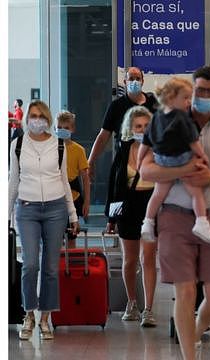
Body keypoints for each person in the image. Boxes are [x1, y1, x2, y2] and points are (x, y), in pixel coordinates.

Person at [139, 66, 210, 360]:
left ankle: (195, 330)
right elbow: (144, 167)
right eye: (198, 91)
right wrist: (184, 170)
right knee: (185, 290)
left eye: (209, 91)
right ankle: (189, 356)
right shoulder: (165, 120)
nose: (202, 96)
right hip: (173, 216)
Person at [9, 100, 80, 341]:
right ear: (26, 118)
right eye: (32, 115)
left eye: (40, 115)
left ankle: (45, 319)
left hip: (55, 209)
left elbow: (64, 181)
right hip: (27, 209)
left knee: (50, 267)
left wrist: (72, 214)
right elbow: (13, 182)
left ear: (47, 119)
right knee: (30, 265)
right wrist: (7, 215)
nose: (36, 120)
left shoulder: (59, 145)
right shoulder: (17, 145)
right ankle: (28, 315)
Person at [138, 77, 210, 244]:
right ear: (171, 98)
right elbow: (193, 142)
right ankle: (201, 222)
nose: (189, 102)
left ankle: (147, 222)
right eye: (186, 98)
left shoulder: (156, 117)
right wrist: (203, 156)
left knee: (158, 194)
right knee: (196, 192)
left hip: (162, 160)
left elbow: (145, 144)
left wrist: (139, 162)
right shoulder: (182, 118)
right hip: (182, 159)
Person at [104, 105, 158, 326]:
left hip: (151, 205)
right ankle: (132, 302)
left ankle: (148, 308)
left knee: (148, 258)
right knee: (130, 260)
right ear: (130, 128)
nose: (142, 130)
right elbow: (114, 183)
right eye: (138, 126)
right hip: (128, 207)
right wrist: (111, 217)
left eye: (146, 126)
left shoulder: (158, 149)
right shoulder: (123, 149)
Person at [87, 66, 158, 179]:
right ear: (125, 82)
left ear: (142, 81)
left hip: (150, 161)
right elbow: (103, 136)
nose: (134, 81)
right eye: (131, 78)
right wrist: (91, 161)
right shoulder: (116, 106)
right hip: (125, 162)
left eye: (138, 78)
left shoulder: (154, 104)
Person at [55, 110, 90, 248]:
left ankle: (70, 266)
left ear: (73, 129)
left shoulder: (78, 150)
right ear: (55, 128)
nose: (62, 130)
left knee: (71, 236)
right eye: (59, 128)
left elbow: (85, 178)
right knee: (54, 237)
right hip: (54, 197)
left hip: (74, 197)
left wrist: (87, 201)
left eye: (66, 128)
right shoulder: (50, 148)